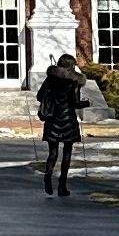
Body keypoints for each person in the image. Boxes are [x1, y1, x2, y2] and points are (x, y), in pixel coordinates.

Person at [37, 53, 91, 195]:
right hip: (68, 121)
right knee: (67, 153)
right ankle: (62, 186)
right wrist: (87, 103)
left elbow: (39, 96)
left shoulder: (50, 79)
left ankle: (48, 176)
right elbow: (75, 103)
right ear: (71, 66)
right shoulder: (74, 81)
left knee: (53, 153)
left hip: (52, 119)